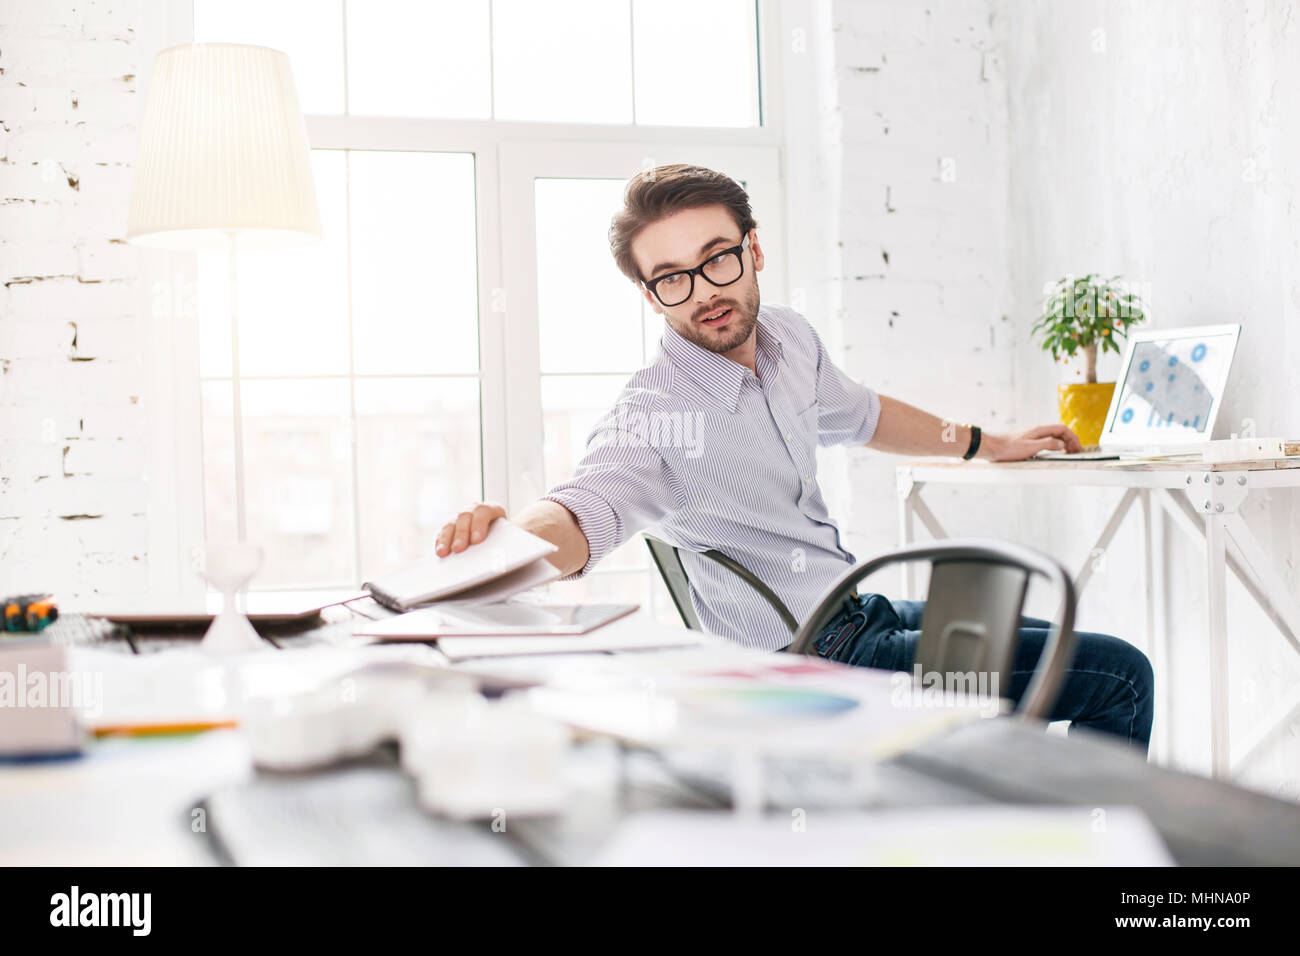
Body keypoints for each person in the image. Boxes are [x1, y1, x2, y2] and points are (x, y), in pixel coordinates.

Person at [436, 164, 1153, 752]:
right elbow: (583, 506)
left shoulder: (788, 340)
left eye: (717, 258)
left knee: (1049, 637)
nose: (704, 293)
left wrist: (987, 444)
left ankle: (1001, 810)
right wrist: (505, 547)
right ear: (651, 296)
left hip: (855, 612)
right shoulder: (653, 414)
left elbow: (864, 414)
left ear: (753, 249)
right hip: (812, 663)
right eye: (672, 278)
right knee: (1122, 675)